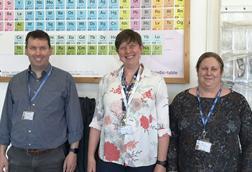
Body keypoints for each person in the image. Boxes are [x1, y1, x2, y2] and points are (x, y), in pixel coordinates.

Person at [87, 29, 171, 172]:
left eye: (132, 46)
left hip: (143, 159)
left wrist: (161, 163)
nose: (128, 51)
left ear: (141, 48)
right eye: (123, 47)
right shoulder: (107, 80)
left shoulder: (156, 81)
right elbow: (97, 121)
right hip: (110, 157)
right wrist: (90, 157)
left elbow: (163, 126)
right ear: (118, 53)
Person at [0, 30, 83, 172]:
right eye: (33, 48)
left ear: (50, 50)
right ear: (26, 51)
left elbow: (74, 119)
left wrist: (73, 153)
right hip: (18, 157)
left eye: (43, 48)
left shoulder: (65, 80)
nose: (38, 53)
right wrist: (1, 153)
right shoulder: (15, 82)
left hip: (52, 158)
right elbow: (6, 119)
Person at [167, 52, 252, 171]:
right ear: (197, 71)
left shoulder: (238, 102)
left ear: (221, 72)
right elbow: (172, 141)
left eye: (214, 69)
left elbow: (249, 143)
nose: (209, 73)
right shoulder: (181, 100)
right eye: (204, 68)